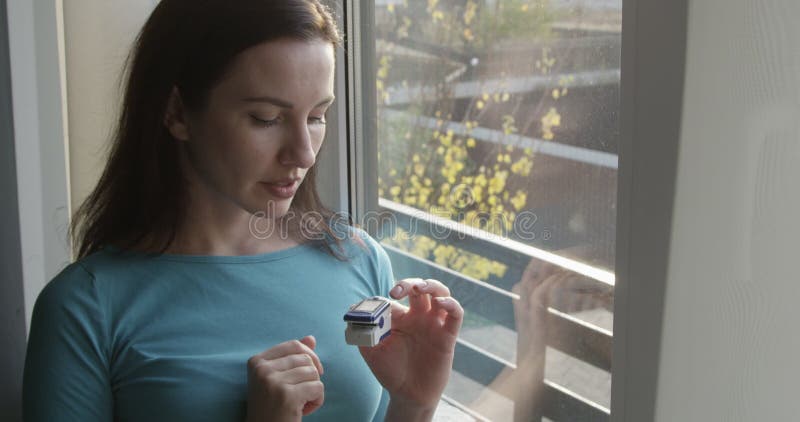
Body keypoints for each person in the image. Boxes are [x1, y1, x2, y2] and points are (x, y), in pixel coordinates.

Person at [22, 1, 463, 421]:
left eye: (317, 116)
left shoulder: (359, 260)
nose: (304, 154)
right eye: (267, 118)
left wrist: (414, 404)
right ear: (177, 112)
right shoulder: (86, 309)